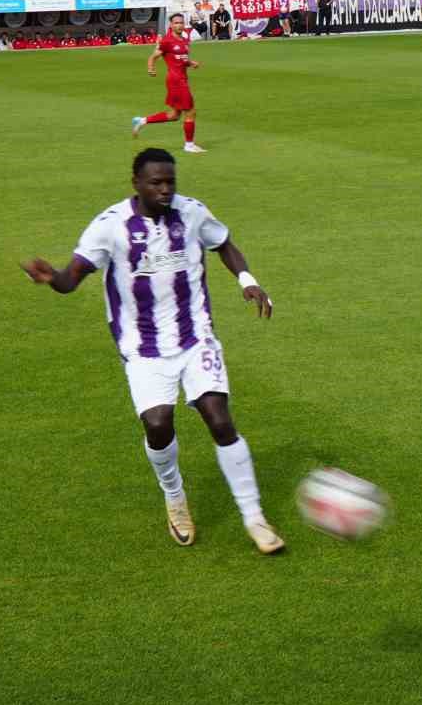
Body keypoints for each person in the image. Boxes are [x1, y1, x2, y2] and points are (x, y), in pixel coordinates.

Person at [21, 148, 286, 554]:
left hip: (196, 337)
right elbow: (72, 278)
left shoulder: (192, 212)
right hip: (143, 348)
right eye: (156, 183)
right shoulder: (110, 226)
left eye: (170, 182)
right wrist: (52, 278)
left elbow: (225, 244)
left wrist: (247, 279)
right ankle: (174, 496)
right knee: (159, 426)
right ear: (136, 184)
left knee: (219, 417)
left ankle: (255, 518)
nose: (165, 190)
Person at [132, 14, 205, 154]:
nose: (179, 25)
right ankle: (189, 145)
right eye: (176, 23)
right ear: (171, 25)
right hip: (176, 81)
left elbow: (181, 59)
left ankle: (141, 121)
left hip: (181, 79)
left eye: (181, 23)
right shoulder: (167, 41)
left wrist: (191, 63)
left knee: (175, 115)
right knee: (190, 112)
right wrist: (151, 68)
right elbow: (153, 56)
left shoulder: (184, 40)